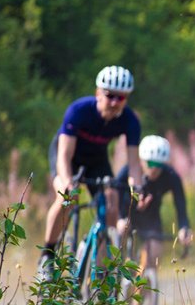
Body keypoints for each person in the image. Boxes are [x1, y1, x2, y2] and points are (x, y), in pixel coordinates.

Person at [39, 65, 144, 275]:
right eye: (110, 95)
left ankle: (101, 270)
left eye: (121, 98)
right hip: (68, 156)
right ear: (98, 93)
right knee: (67, 198)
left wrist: (138, 189)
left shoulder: (130, 120)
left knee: (112, 201)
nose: (114, 102)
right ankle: (47, 255)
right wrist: (67, 182)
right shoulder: (79, 110)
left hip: (96, 160)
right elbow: (64, 156)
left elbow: (134, 165)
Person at [116, 134, 193, 277]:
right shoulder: (128, 171)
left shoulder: (171, 176)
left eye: (159, 165)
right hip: (126, 214)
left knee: (153, 256)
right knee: (117, 250)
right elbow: (115, 192)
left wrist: (184, 227)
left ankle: (144, 287)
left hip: (151, 219)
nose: (155, 169)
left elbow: (180, 203)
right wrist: (119, 218)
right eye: (151, 164)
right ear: (141, 160)